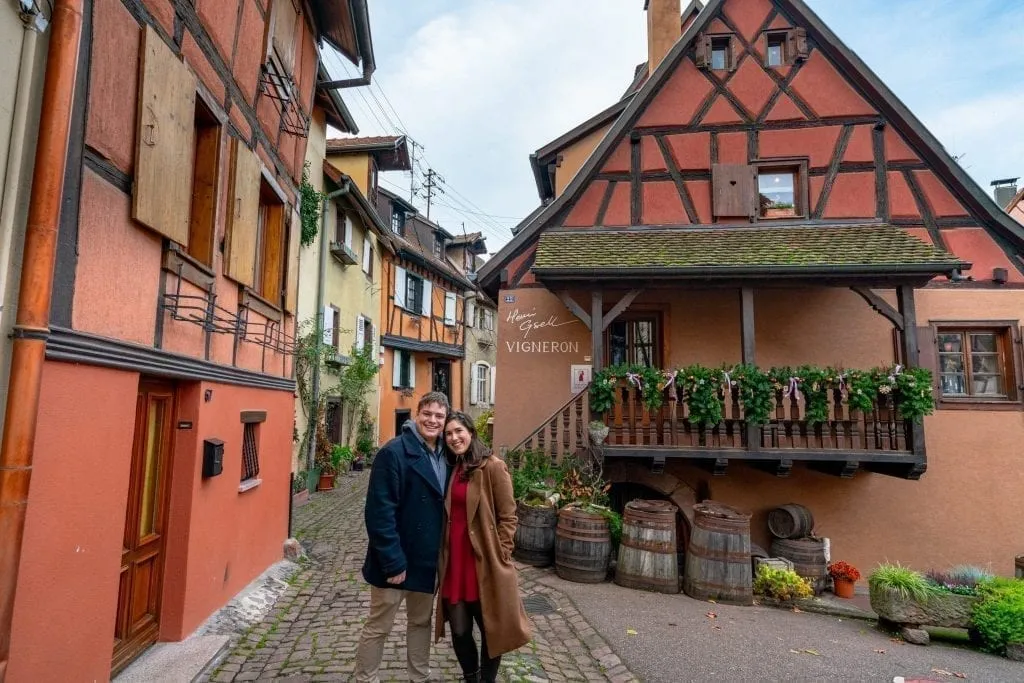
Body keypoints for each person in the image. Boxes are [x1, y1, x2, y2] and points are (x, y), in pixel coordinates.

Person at [354, 392, 451, 683]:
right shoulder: (393, 452)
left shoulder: (446, 454)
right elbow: (379, 512)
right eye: (428, 414)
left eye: (439, 416)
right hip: (395, 560)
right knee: (379, 626)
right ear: (416, 415)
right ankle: (365, 678)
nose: (432, 420)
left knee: (420, 623)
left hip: (425, 560)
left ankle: (418, 677)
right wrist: (393, 562)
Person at [434, 411, 532, 682]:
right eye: (449, 434)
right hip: (455, 561)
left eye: (458, 432)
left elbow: (509, 515)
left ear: (471, 433)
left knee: (492, 627)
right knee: (459, 629)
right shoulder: (452, 468)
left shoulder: (492, 466)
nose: (454, 438)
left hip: (485, 560)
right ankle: (471, 677)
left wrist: (502, 552)